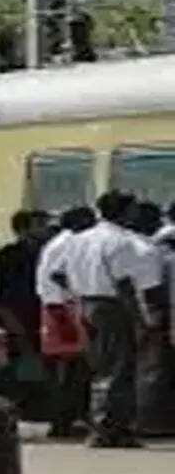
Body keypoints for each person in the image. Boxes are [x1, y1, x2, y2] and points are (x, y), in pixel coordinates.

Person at [67, 191, 166, 448]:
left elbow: (63, 274)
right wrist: (141, 317)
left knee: (99, 366)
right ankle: (111, 428)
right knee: (119, 367)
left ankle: (101, 423)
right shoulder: (121, 242)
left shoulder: (80, 239)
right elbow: (124, 283)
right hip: (112, 306)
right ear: (124, 211)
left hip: (84, 302)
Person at [36, 206, 95, 439]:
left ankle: (68, 416)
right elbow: (57, 274)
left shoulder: (60, 242)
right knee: (70, 366)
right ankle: (63, 419)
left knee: (71, 366)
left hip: (58, 306)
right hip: (61, 308)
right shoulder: (68, 242)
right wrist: (79, 289)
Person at [0, 210, 51, 412]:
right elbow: (1, 295)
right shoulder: (8, 257)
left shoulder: (48, 254)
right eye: (39, 225)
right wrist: (10, 321)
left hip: (44, 315)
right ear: (23, 229)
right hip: (18, 316)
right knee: (20, 360)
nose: (46, 230)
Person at [127, 200, 175, 437]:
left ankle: (146, 419)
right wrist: (154, 315)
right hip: (150, 313)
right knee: (152, 368)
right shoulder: (154, 248)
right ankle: (151, 421)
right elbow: (152, 288)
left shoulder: (140, 245)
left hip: (135, 311)